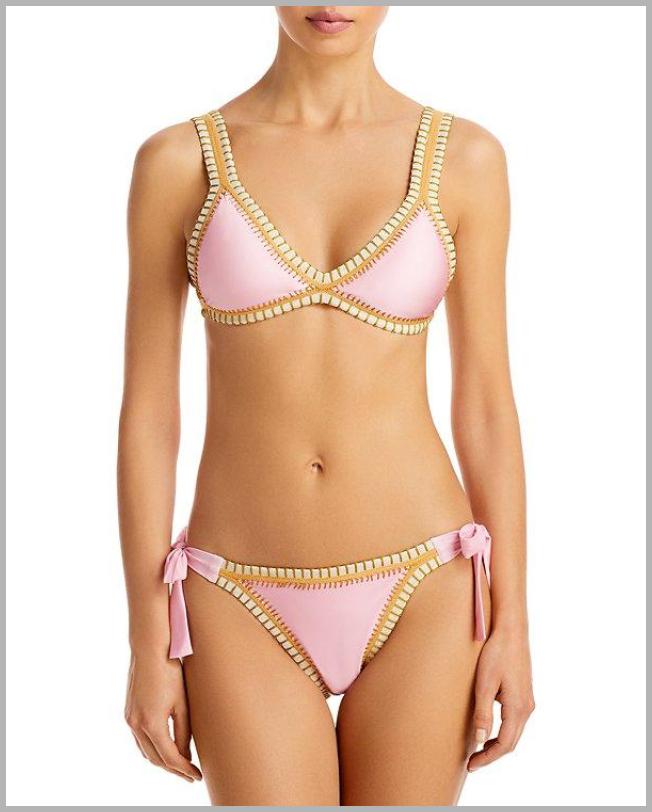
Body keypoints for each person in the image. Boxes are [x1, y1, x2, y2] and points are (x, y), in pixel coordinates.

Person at [118, 5, 534, 805]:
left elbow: (486, 403)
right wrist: (147, 636)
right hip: (235, 592)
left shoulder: (465, 159)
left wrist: (512, 621)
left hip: (424, 583)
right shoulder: (178, 162)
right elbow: (148, 415)